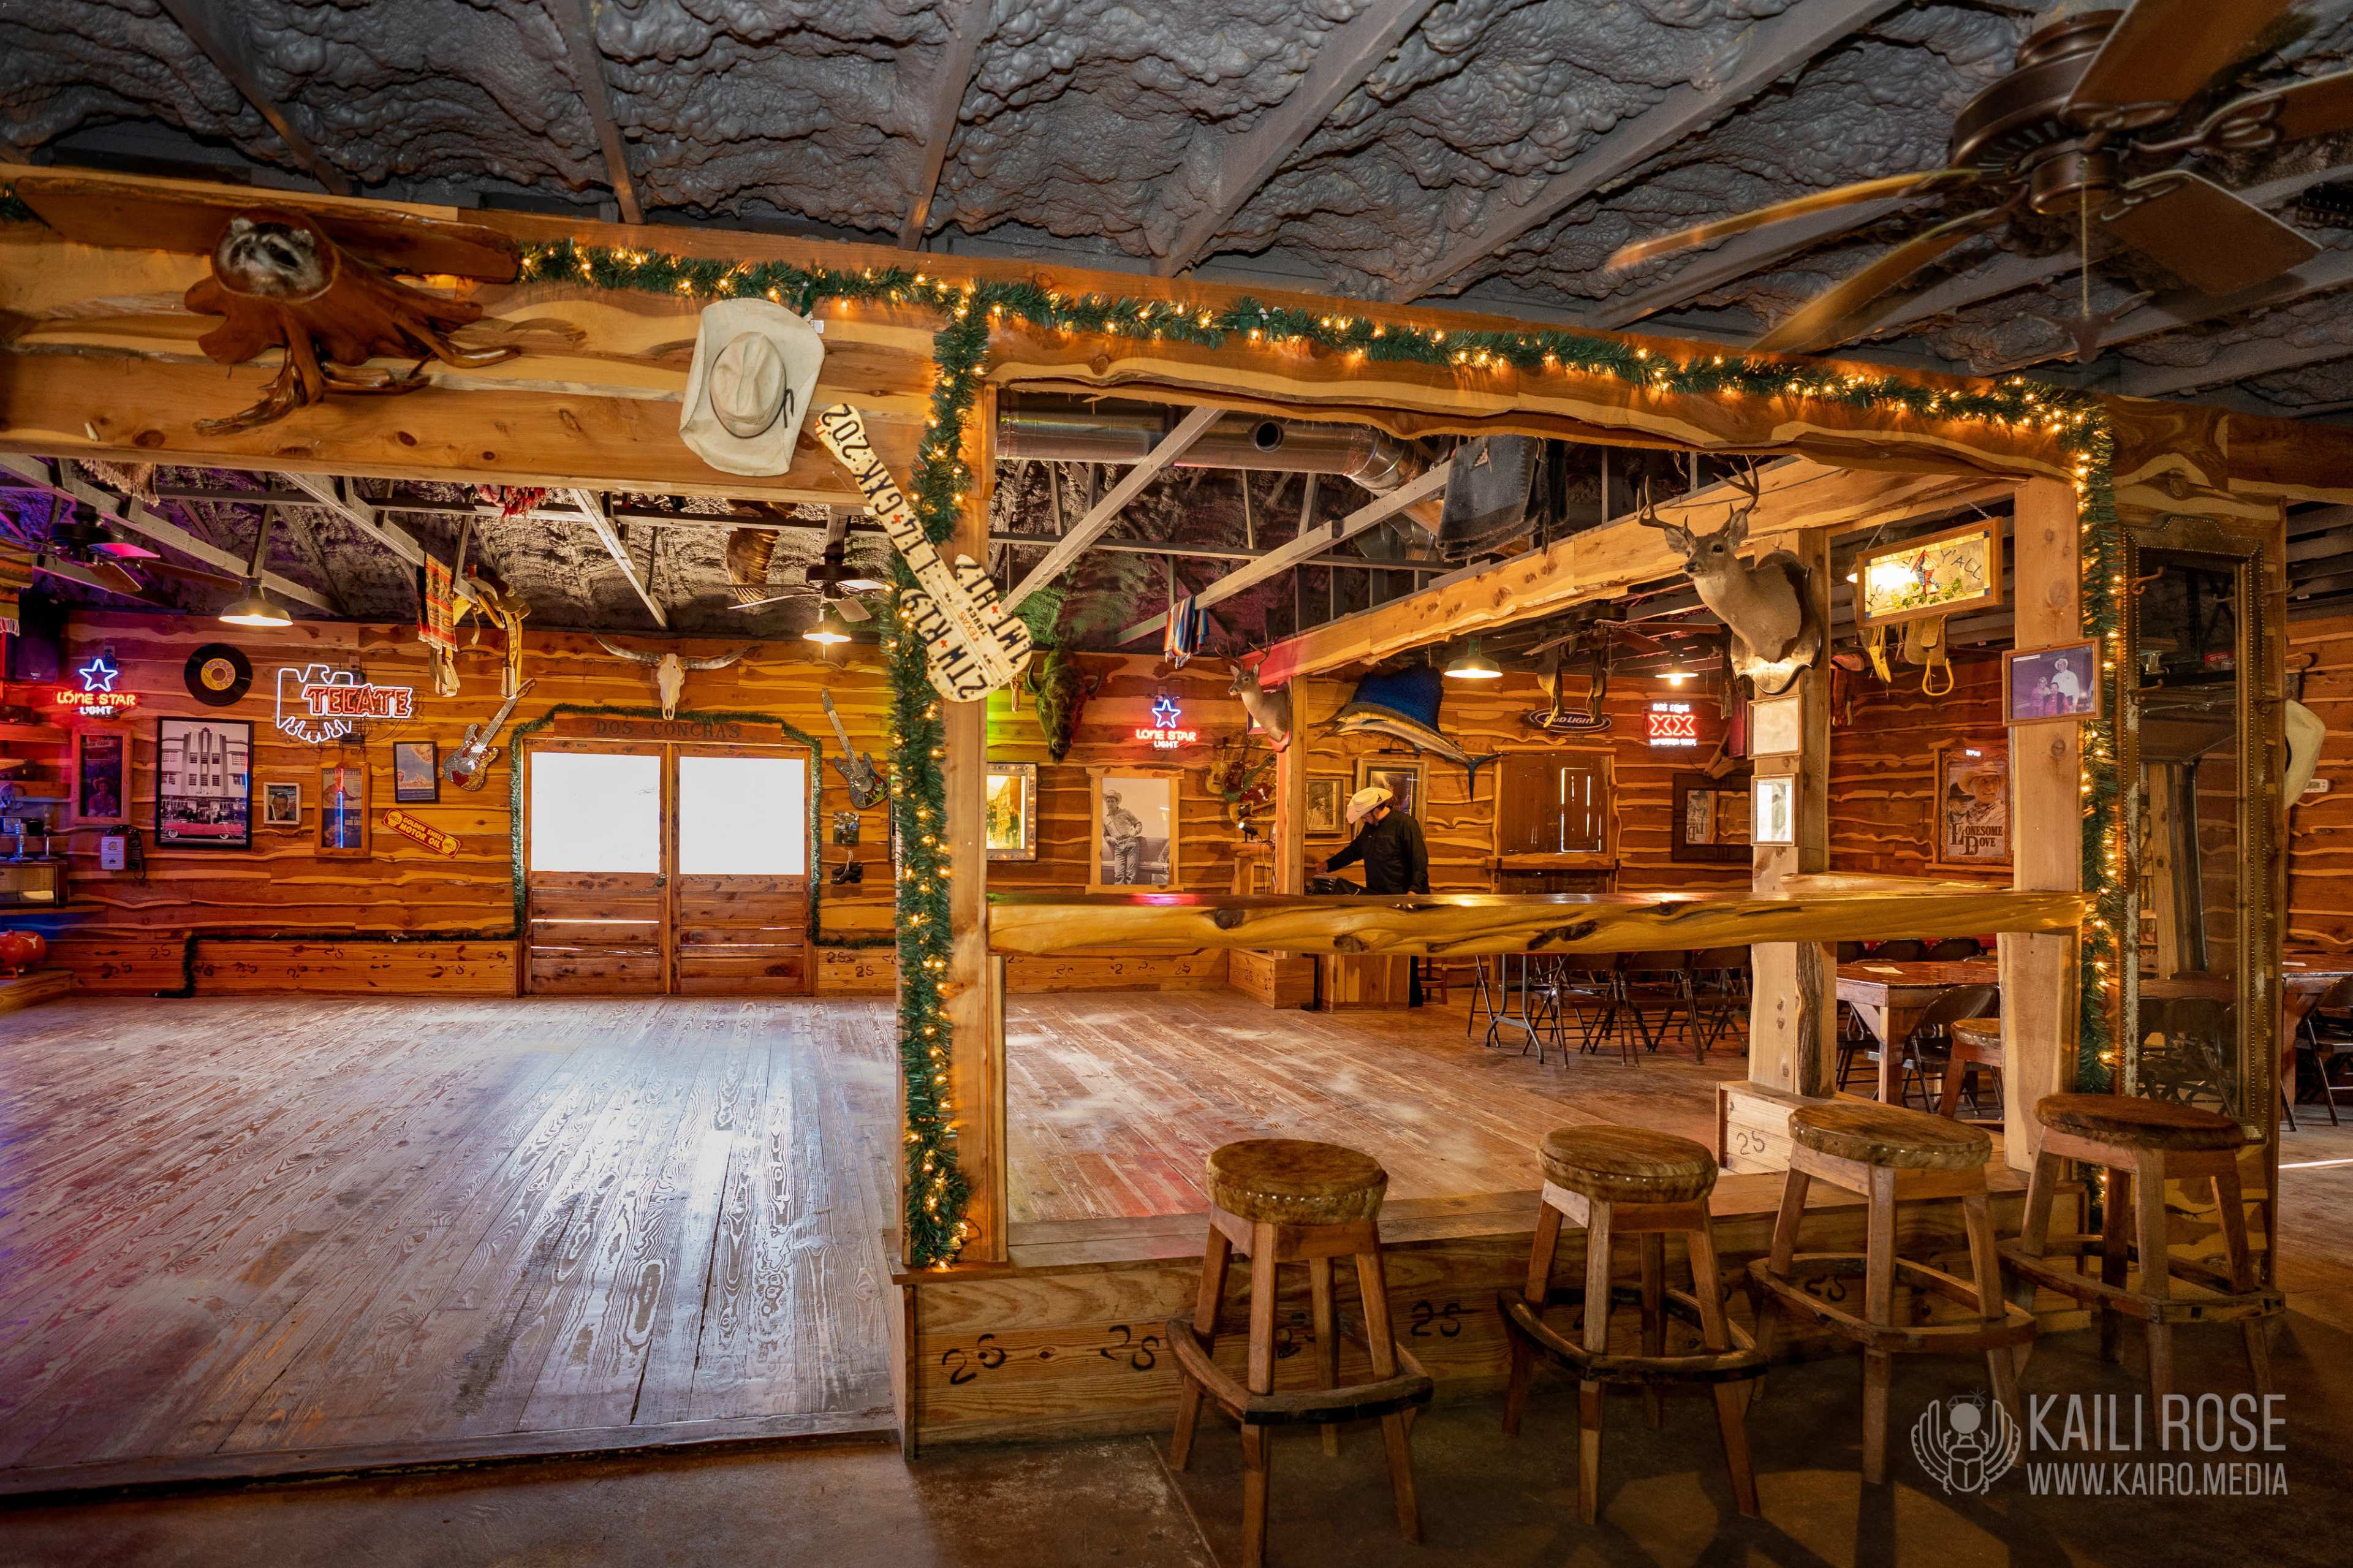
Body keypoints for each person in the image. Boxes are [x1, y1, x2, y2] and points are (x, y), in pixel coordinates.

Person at [1323, 785, 1432, 1003]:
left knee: (1404, 950)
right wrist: (1327, 865)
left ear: (1376, 809)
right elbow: (1354, 851)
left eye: (1364, 816)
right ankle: (1388, 995)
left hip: (1404, 897)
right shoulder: (1370, 829)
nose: (1363, 820)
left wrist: (1413, 892)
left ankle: (1409, 997)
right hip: (1378, 897)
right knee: (1384, 946)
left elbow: (1420, 861)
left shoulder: (1405, 825)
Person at [1102, 789, 1143, 884]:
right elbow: (1105, 835)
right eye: (1108, 802)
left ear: (1117, 802)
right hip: (1118, 846)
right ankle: (1119, 897)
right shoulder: (1105, 819)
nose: (1110, 804)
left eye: (1113, 801)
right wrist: (1111, 839)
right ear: (1106, 803)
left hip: (1131, 843)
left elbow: (1139, 824)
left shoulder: (1125, 812)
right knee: (1118, 875)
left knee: (1131, 874)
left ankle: (1131, 897)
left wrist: (1135, 832)